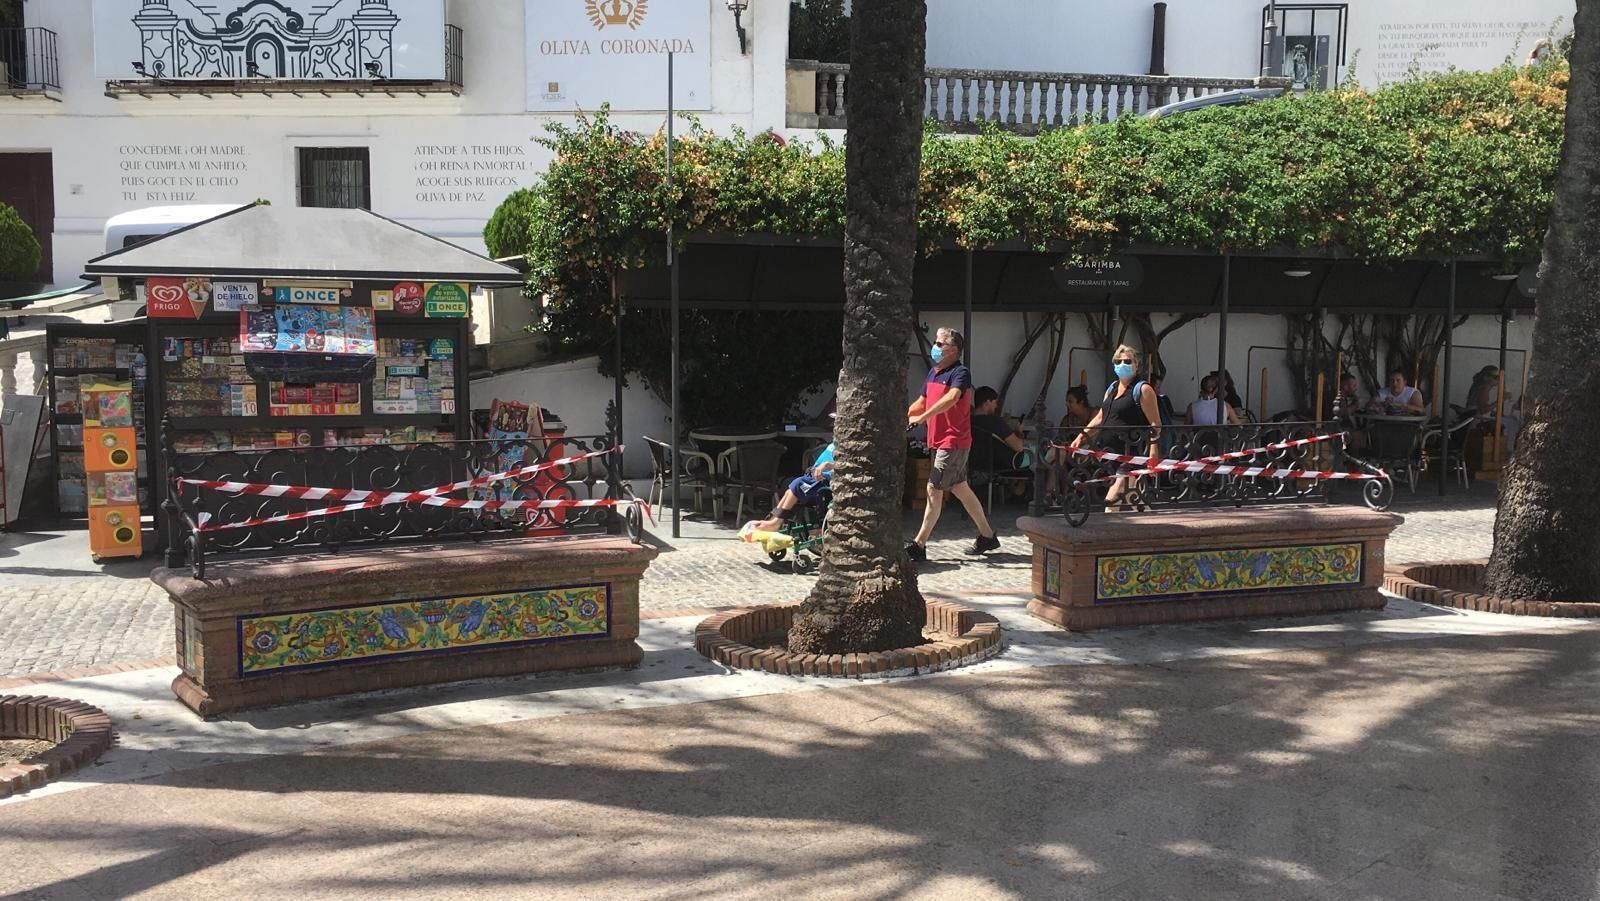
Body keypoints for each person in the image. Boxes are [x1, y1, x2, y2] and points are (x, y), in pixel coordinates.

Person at [905, 327, 1000, 560]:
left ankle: (919, 545)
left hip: (953, 441)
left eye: (939, 344)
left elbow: (952, 398)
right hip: (938, 440)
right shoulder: (934, 372)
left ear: (953, 350)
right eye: (936, 343)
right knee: (960, 488)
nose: (935, 348)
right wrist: (903, 417)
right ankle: (987, 536)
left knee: (933, 488)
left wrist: (922, 418)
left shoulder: (961, 372)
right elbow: (921, 402)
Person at [1070, 343, 1163, 509]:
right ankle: (1154, 529)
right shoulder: (1112, 389)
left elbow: (1155, 424)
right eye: (1118, 362)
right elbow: (1100, 417)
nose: (1123, 365)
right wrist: (1081, 437)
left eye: (1128, 361)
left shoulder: (1143, 390)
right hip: (1111, 456)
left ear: (1137, 365)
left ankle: (1104, 533)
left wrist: (1153, 452)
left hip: (1131, 454)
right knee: (1134, 499)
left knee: (1111, 501)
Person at [741, 441, 835, 536]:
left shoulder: (847, 449)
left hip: (823, 482)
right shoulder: (836, 442)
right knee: (789, 490)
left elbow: (847, 466)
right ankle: (773, 519)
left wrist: (827, 464)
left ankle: (775, 523)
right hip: (812, 478)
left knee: (798, 485)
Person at [970, 386, 1029, 497]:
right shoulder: (995, 421)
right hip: (1006, 462)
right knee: (1050, 454)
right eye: (995, 402)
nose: (996, 406)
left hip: (977, 462)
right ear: (987, 402)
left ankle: (1019, 488)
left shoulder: (969, 422)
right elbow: (1019, 447)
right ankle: (1049, 494)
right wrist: (1019, 432)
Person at [1044, 385, 1094, 498]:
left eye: (1070, 401)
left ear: (1081, 402)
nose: (1067, 404)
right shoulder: (1068, 419)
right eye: (1066, 401)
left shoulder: (1094, 415)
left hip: (1089, 453)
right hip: (1069, 454)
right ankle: (1059, 494)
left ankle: (1049, 489)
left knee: (1058, 454)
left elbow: (1096, 437)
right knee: (1059, 457)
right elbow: (1059, 438)